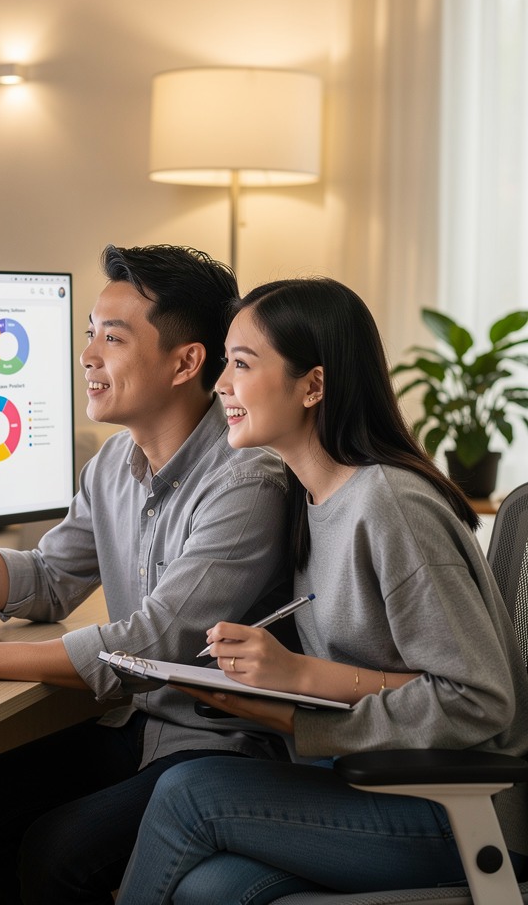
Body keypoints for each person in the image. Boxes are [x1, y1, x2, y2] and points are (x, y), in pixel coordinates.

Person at [0, 244, 293, 904]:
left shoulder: (247, 477)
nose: (88, 356)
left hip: (220, 745)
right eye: (88, 335)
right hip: (140, 724)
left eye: (113, 337)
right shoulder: (112, 466)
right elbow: (47, 584)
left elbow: (152, 641)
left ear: (187, 360)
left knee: (59, 855)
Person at [115, 277, 528, 904]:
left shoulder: (391, 508)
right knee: (212, 888)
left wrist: (296, 694)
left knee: (189, 793)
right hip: (371, 784)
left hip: (455, 810)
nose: (221, 383)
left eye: (243, 364)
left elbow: (478, 701)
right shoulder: (309, 498)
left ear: (313, 385)